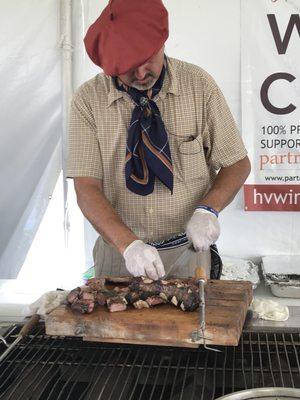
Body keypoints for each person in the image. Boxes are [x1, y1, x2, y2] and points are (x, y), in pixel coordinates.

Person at [67, 0, 251, 280]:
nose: (141, 74)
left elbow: (237, 163)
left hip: (188, 254)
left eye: (147, 61)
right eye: (128, 68)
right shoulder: (88, 101)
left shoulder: (199, 86)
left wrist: (208, 209)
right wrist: (129, 245)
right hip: (121, 256)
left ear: (162, 43)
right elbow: (87, 188)